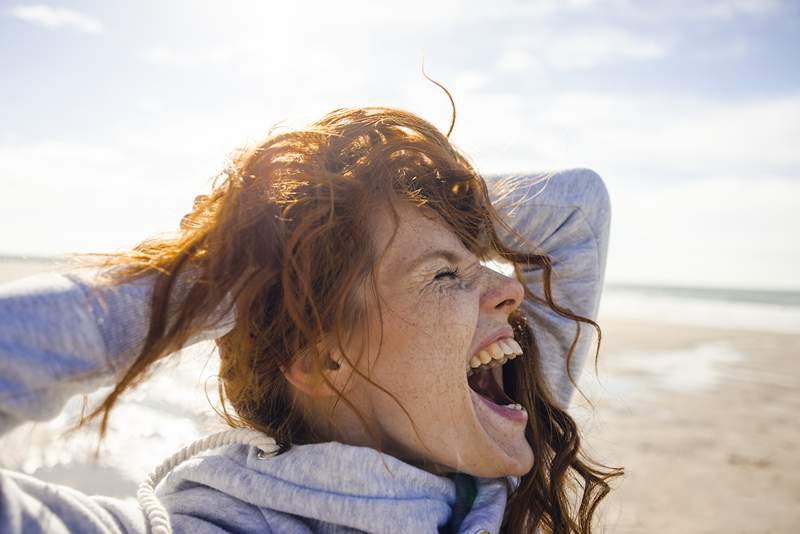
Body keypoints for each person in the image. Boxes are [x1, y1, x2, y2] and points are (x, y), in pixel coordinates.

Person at [0, 106, 620, 533]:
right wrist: (217, 276)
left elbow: (575, 209)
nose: (511, 286)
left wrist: (386, 207)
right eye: (443, 274)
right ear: (324, 359)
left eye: (478, 260)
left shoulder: (503, 470)